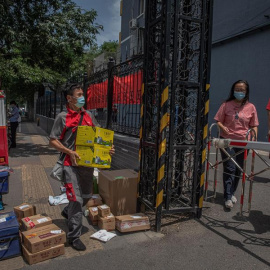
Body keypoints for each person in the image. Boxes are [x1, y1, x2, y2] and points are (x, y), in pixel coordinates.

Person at [49, 84, 115, 251]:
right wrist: (68, 151)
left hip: (86, 166)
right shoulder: (62, 117)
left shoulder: (89, 115)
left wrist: (107, 149)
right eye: (78, 95)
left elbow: (98, 136)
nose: (82, 98)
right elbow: (53, 140)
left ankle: (67, 211)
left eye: (82, 95)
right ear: (69, 98)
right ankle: (74, 237)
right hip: (70, 166)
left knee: (86, 197)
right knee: (77, 201)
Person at [214, 80, 259, 209]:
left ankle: (232, 192)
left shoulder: (251, 107)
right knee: (229, 167)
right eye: (237, 89)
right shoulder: (226, 105)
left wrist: (253, 139)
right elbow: (218, 120)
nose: (239, 92)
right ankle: (227, 197)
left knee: (239, 168)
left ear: (246, 92)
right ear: (233, 91)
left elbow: (254, 125)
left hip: (243, 141)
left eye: (242, 90)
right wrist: (222, 127)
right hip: (227, 140)